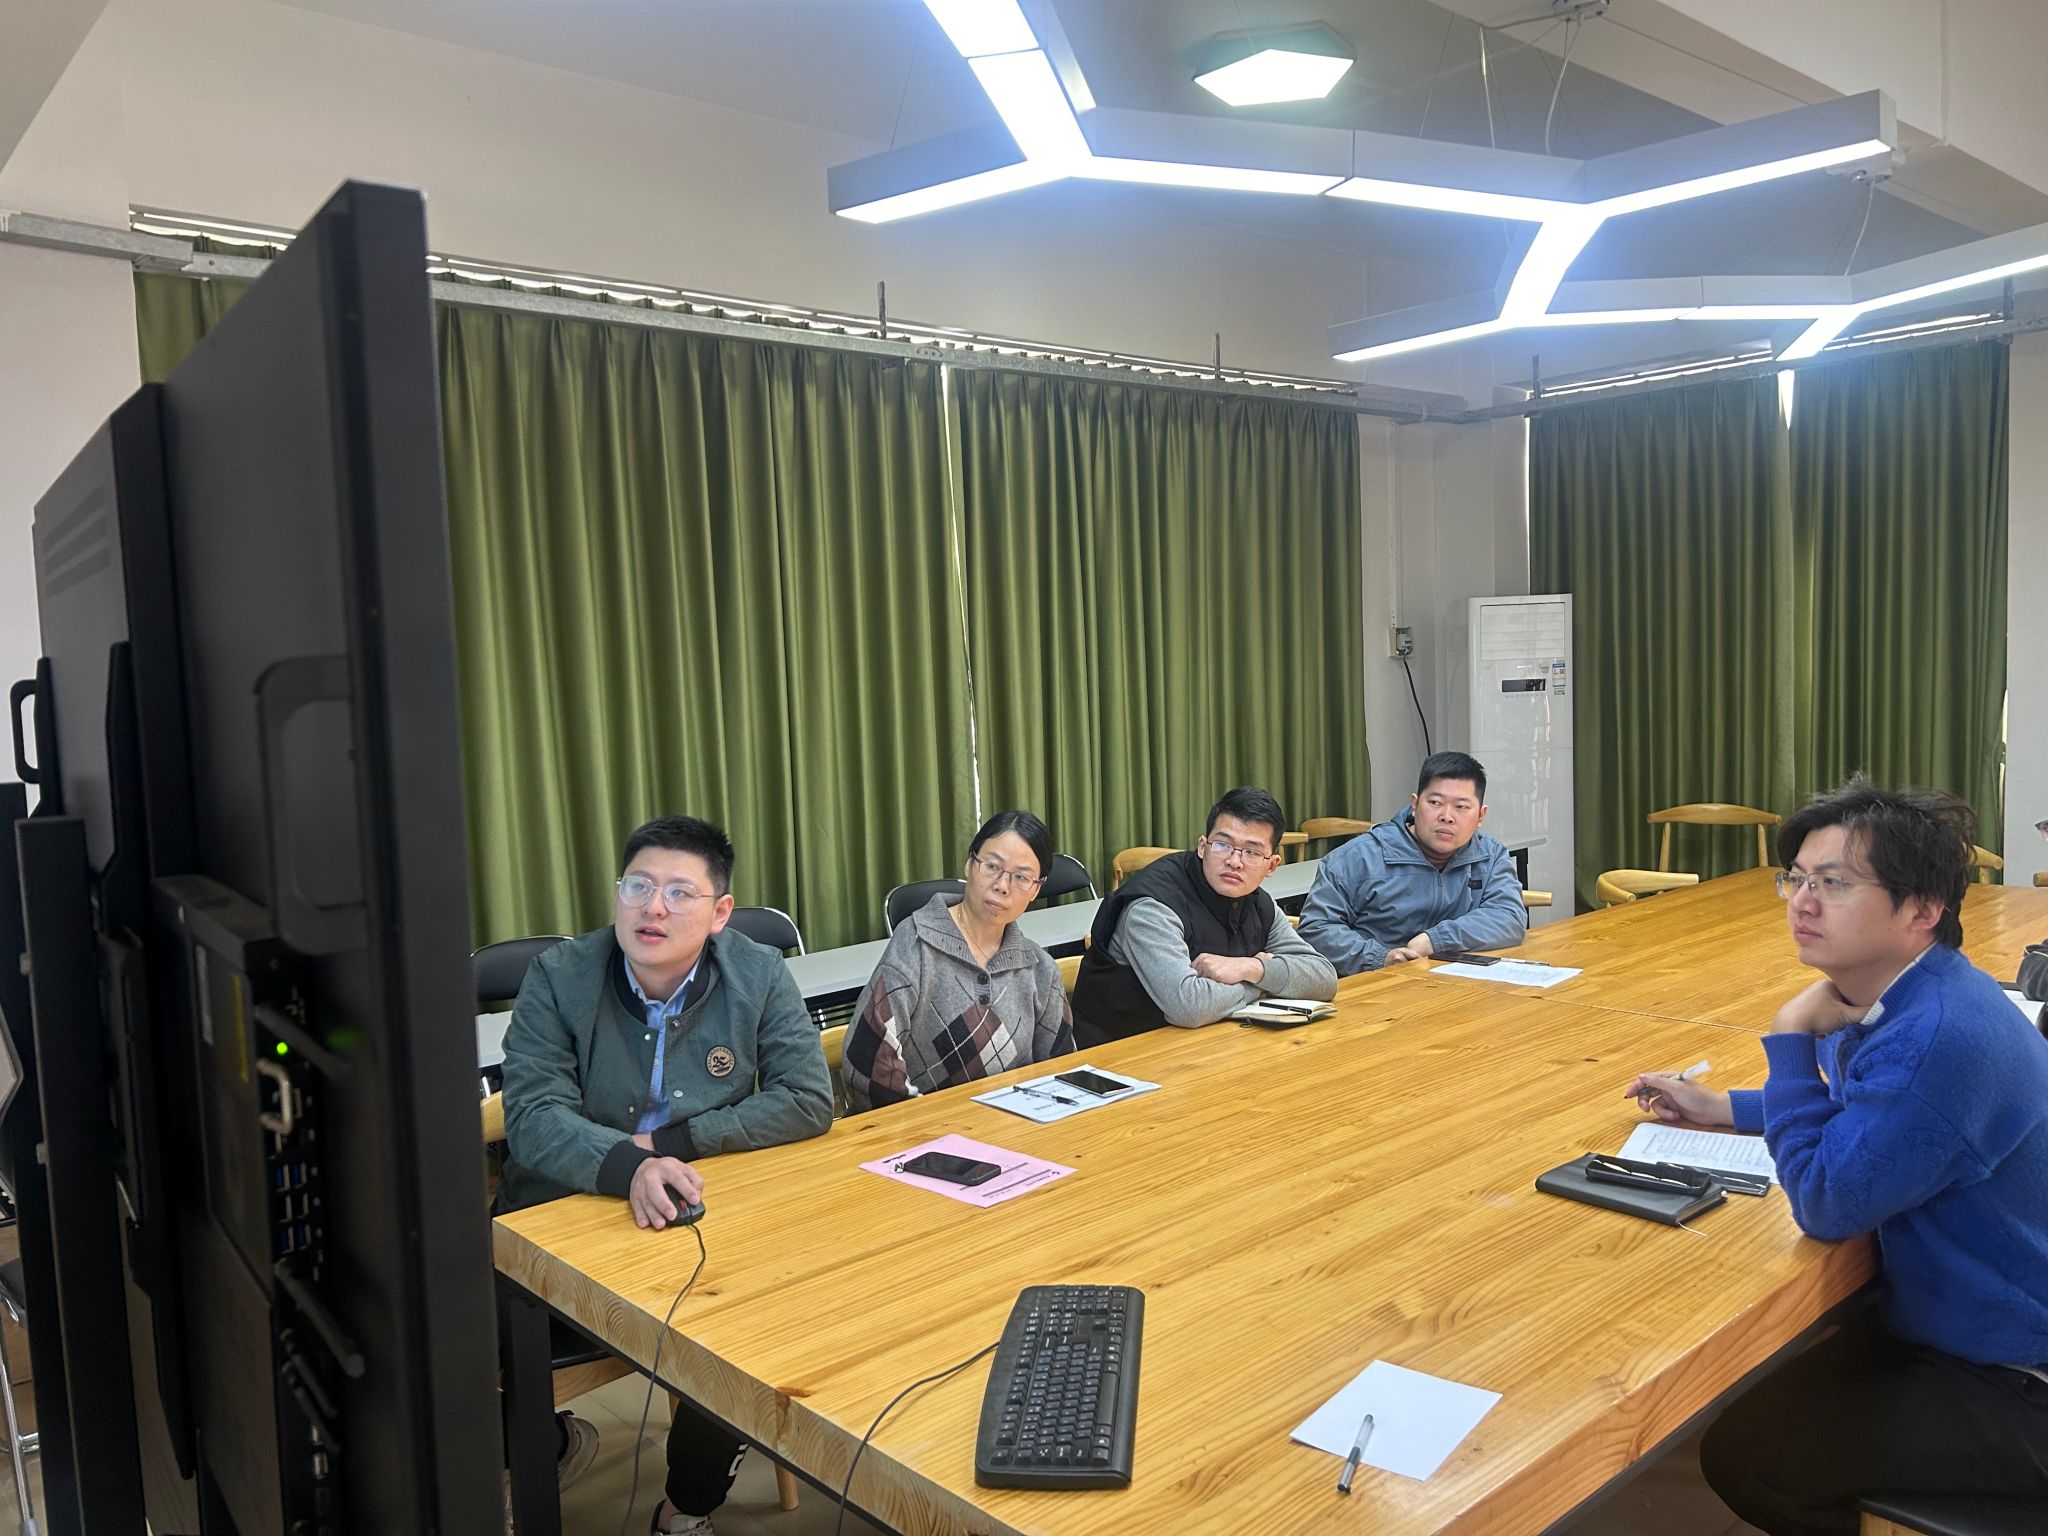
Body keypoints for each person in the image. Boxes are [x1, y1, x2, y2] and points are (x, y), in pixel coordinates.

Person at [1623, 778, 2048, 1535]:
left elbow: (1827, 1201)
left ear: (1923, 909)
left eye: (1835, 883)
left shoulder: (1937, 1039)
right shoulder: (1928, 991)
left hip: (2018, 1371)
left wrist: (1791, 1036)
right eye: (1797, 879)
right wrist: (1725, 1108)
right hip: (1979, 1315)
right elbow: (1878, 1116)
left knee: (1750, 1459)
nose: (1803, 901)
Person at [500, 815, 833, 1536]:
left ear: (719, 912)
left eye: (680, 893)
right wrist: (629, 1166)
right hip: (565, 1211)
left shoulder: (757, 972)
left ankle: (687, 1507)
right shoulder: (559, 976)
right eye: (639, 886)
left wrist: (672, 1143)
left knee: (752, 1322)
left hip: (698, 1206)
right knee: (463, 1331)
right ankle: (545, 1444)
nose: (653, 907)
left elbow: (808, 1099)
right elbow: (531, 1117)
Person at [842, 810, 1076, 1112]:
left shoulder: (1040, 969)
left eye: (1021, 877)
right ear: (969, 864)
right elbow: (866, 1068)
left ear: (1036, 889)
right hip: (923, 1129)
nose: (1002, 885)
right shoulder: (916, 945)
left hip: (1015, 1129)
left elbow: (1061, 1073)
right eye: (992, 866)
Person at [1070, 786, 1336, 1047]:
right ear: (1202, 847)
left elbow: (1324, 978)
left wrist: (1252, 968)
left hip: (1207, 1045)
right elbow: (1189, 1006)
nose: (1234, 861)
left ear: (1272, 865)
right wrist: (1264, 984)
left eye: (1252, 852)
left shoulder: (1258, 903)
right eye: (1223, 844)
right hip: (1122, 1056)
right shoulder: (1152, 907)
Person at [1298, 750, 1526, 975]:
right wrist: (1380, 958)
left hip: (1457, 983)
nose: (1447, 816)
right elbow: (1317, 929)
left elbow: (1509, 916)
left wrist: (1435, 940)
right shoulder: (1357, 858)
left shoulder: (1490, 855)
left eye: (1461, 807)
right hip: (1376, 984)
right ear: (1415, 804)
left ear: (1480, 816)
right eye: (1435, 802)